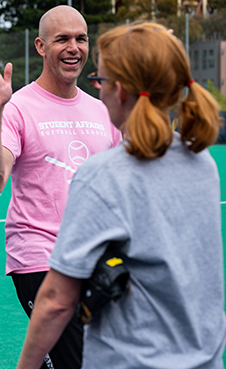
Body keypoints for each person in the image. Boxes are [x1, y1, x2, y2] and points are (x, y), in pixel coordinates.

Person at [15, 23, 226, 369]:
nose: (99, 91)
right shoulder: (202, 162)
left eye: (102, 81)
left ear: (121, 92)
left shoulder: (104, 174)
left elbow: (56, 300)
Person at [0, 6, 121, 369]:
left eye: (81, 39)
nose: (73, 47)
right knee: (75, 360)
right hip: (40, 258)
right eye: (62, 39)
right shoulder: (18, 107)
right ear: (41, 46)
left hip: (98, 256)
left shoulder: (102, 110)